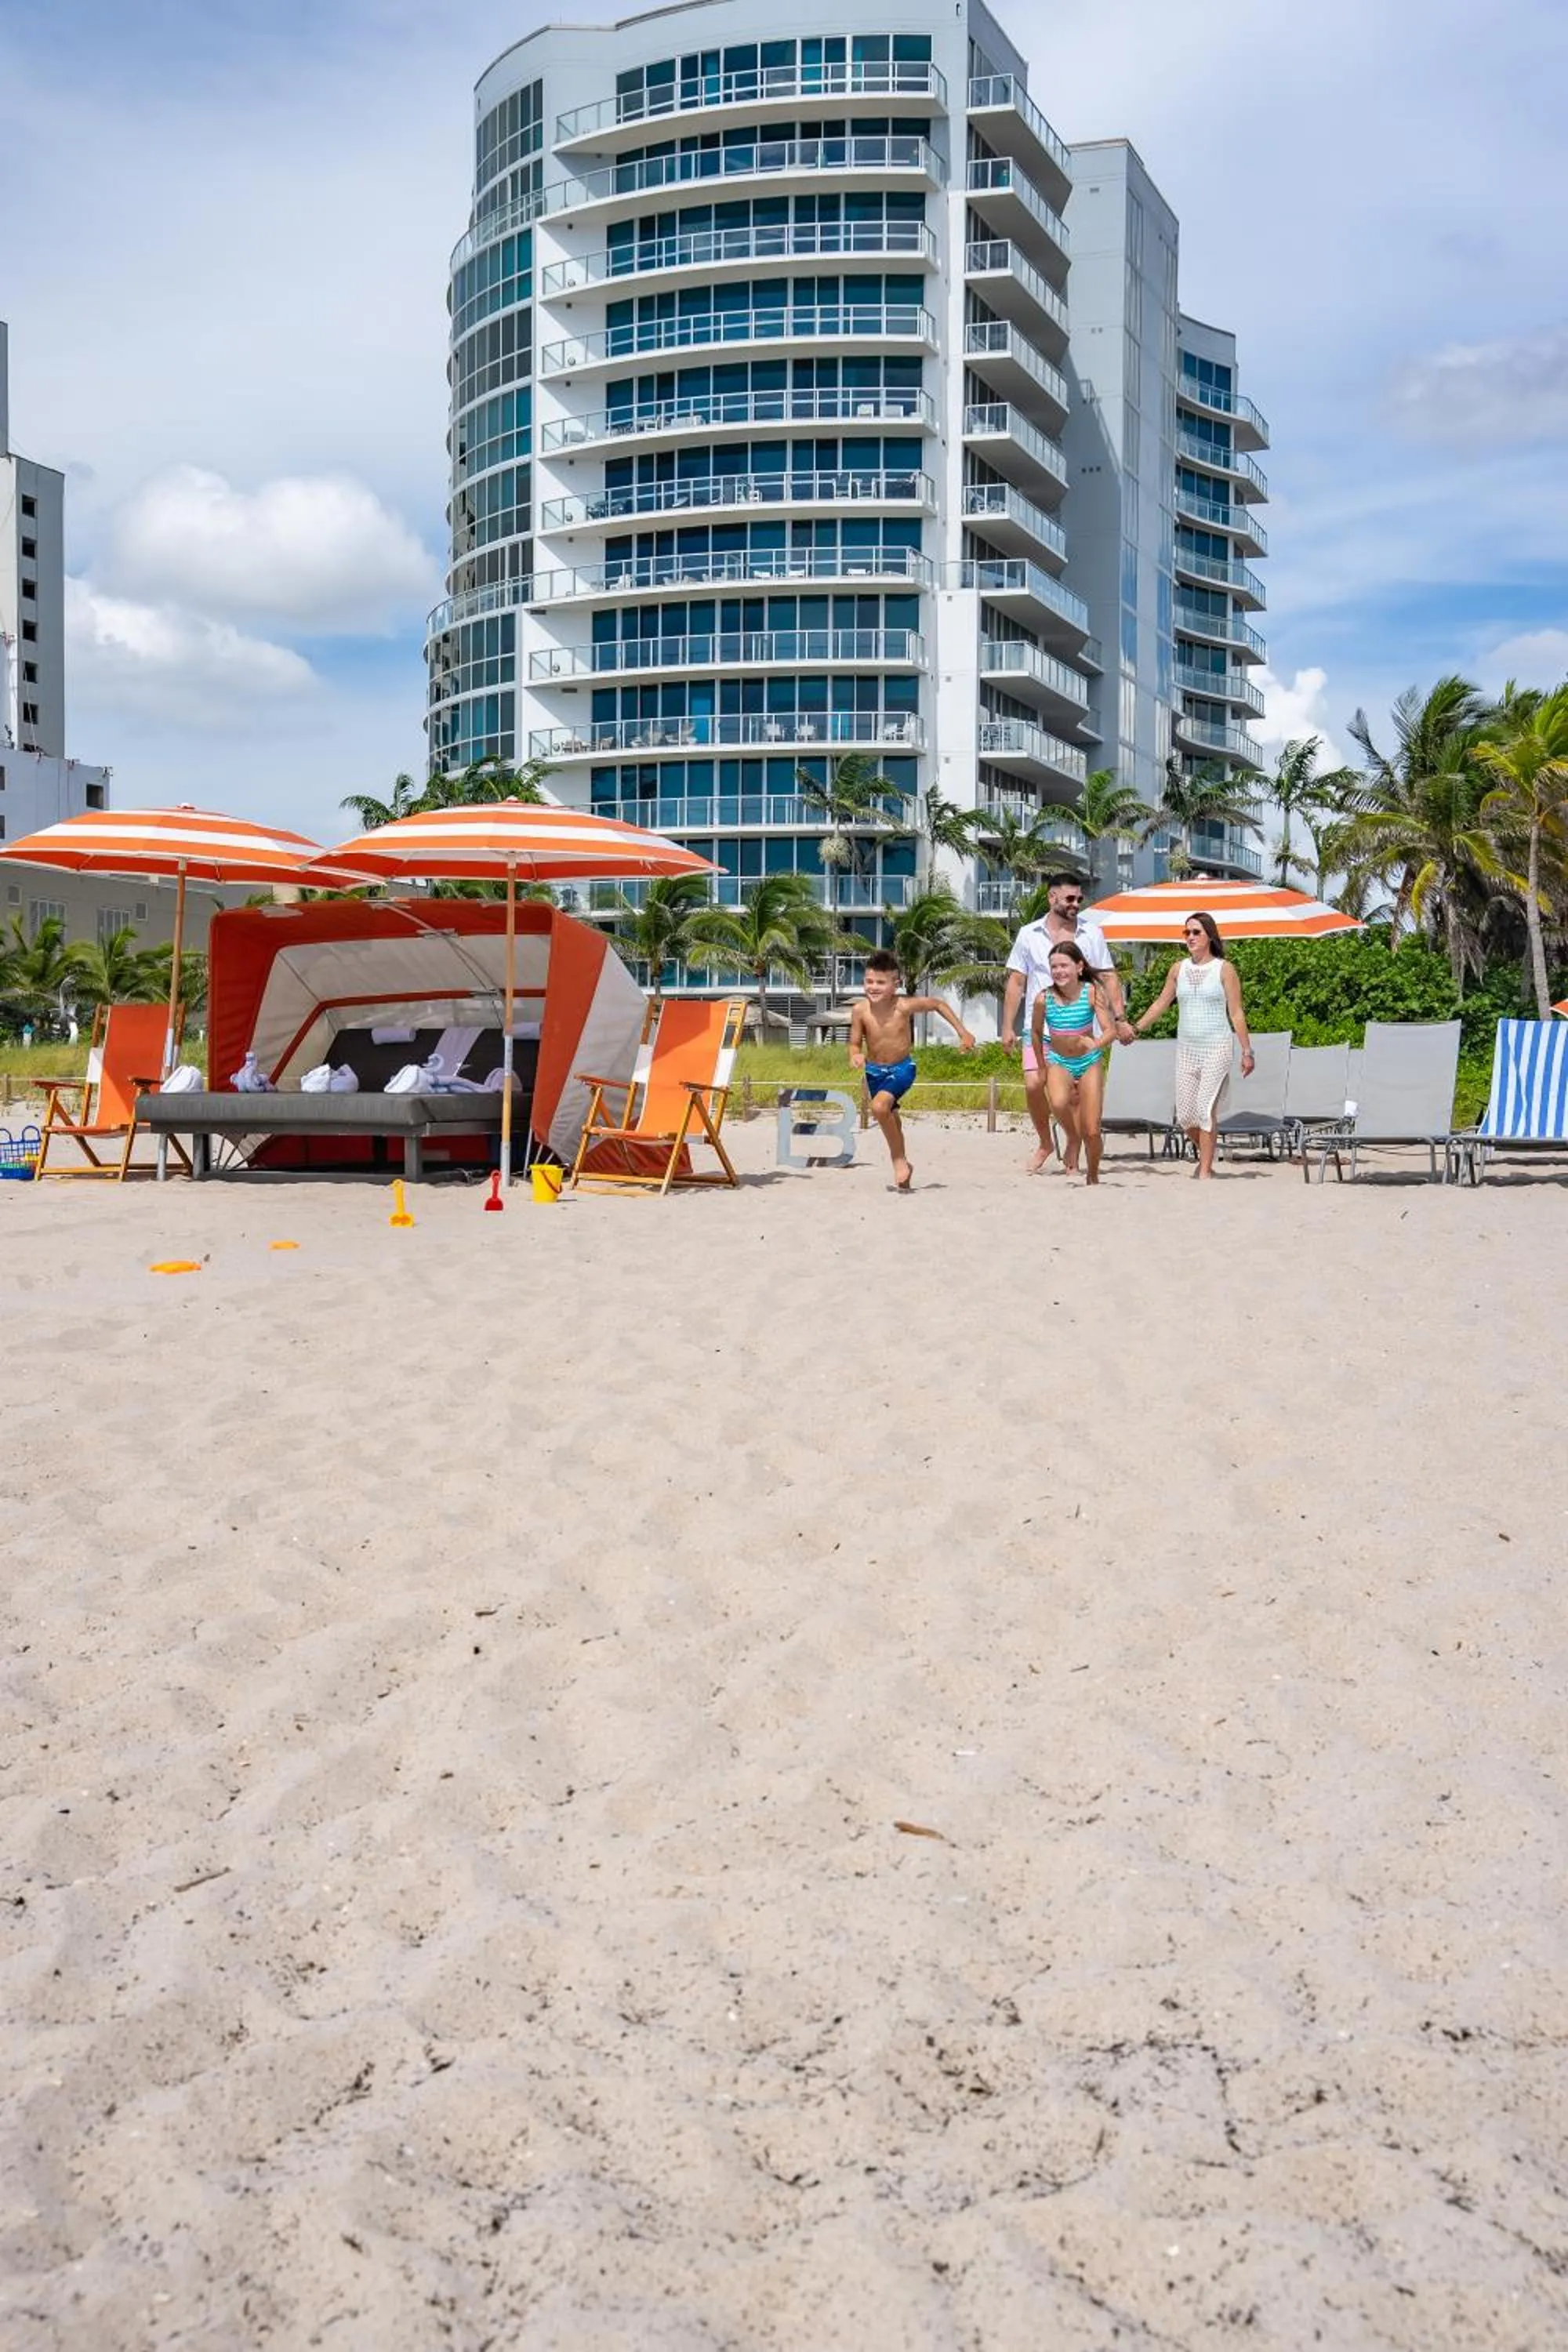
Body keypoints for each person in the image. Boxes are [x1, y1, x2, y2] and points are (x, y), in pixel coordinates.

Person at [1000, 873, 1133, 1174]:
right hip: (1041, 1029)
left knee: (1072, 1096)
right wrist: (1007, 1026)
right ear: (1052, 898)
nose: (1076, 904)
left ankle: (1073, 1144)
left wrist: (1120, 1019)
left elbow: (1109, 976)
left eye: (1079, 899)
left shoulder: (1092, 934)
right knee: (1034, 1084)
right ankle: (1047, 1143)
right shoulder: (1028, 934)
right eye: (1070, 899)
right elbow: (1016, 981)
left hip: (1082, 1030)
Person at [1130, 909, 1254, 1178]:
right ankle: (1208, 1153)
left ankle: (1205, 1172)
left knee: (1205, 1109)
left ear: (1210, 935)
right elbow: (1161, 1003)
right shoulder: (1178, 969)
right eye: (1187, 932)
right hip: (1187, 1049)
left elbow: (1236, 1013)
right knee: (1186, 1116)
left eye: (1196, 932)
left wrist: (1247, 1051)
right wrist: (1136, 1028)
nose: (1191, 937)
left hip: (1217, 1047)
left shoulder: (1224, 969)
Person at [849, 949, 975, 1191]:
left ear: (896, 984)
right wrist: (855, 1054)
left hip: (902, 1069)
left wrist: (963, 1032)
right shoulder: (860, 1011)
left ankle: (897, 1162)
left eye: (881, 983)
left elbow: (938, 1004)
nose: (873, 987)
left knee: (879, 1108)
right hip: (874, 1073)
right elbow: (855, 1042)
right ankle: (905, 1166)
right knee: (892, 1119)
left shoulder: (904, 1006)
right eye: (869, 981)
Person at [1029, 940, 1116, 1185]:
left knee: (1093, 1130)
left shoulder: (1092, 992)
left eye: (1064, 965)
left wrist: (1096, 1044)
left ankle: (1093, 1174)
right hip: (1059, 1060)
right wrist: (1041, 1065)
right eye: (1054, 967)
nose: (1058, 971)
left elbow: (1110, 1030)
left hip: (1089, 1061)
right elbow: (1035, 1032)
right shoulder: (1043, 998)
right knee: (1058, 1102)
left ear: (1079, 967)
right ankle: (1072, 1138)